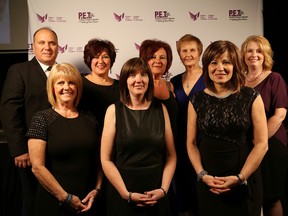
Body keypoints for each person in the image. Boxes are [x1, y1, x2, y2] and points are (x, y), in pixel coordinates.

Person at [186, 40, 268, 216]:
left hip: (243, 176)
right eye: (213, 62)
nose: (220, 68)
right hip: (208, 179)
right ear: (207, 66)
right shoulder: (196, 100)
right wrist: (202, 174)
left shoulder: (251, 97)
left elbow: (262, 144)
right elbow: (191, 143)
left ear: (235, 66)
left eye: (226, 62)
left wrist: (241, 177)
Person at [101, 57, 177, 216]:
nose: (138, 80)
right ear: (124, 80)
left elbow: (171, 155)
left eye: (143, 75)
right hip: (123, 192)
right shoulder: (113, 111)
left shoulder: (161, 109)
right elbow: (106, 159)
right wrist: (125, 193)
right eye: (132, 75)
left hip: (156, 192)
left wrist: (163, 189)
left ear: (149, 79)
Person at [26, 63, 103, 216]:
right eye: (60, 82)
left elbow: (99, 160)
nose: (67, 87)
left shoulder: (90, 118)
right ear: (52, 88)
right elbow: (37, 167)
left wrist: (96, 190)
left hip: (88, 202)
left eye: (71, 82)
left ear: (78, 87)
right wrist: (65, 197)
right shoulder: (41, 119)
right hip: (53, 202)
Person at [0, 27, 59, 216]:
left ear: (58, 47)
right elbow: (9, 112)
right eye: (42, 43)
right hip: (30, 152)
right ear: (33, 46)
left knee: (57, 199)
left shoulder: (64, 72)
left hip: (60, 149)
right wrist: (19, 150)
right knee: (32, 200)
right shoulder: (19, 71)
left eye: (51, 43)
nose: (47, 47)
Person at [241, 35, 288, 216]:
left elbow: (279, 115)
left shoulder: (274, 78)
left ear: (265, 54)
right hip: (247, 147)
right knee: (251, 197)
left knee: (271, 197)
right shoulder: (239, 81)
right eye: (250, 50)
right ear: (243, 54)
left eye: (259, 51)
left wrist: (258, 142)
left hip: (271, 145)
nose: (254, 55)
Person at [139, 39, 178, 216]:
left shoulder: (169, 85)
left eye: (163, 57)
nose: (158, 60)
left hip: (174, 146)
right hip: (153, 151)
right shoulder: (140, 85)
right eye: (153, 56)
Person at [170, 34, 205, 216]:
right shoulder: (174, 81)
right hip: (180, 142)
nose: (188, 54)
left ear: (199, 52)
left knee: (201, 191)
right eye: (184, 50)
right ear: (179, 54)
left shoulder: (211, 77)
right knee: (183, 192)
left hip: (203, 142)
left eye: (192, 50)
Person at [80, 38, 120, 131]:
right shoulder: (79, 84)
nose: (101, 61)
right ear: (89, 60)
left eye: (105, 56)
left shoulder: (121, 87)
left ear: (111, 60)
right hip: (86, 137)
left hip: (116, 138)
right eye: (96, 57)